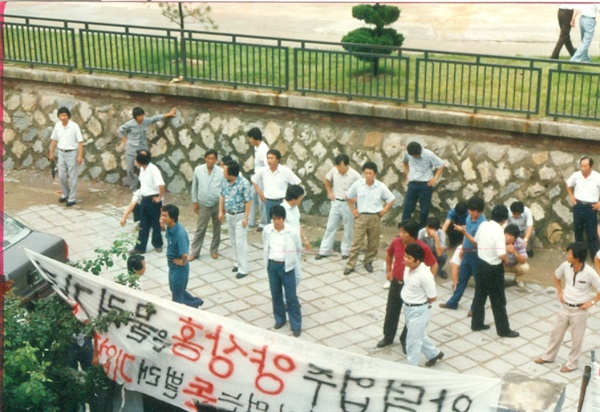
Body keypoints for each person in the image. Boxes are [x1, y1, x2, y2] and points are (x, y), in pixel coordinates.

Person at [535, 242, 600, 373]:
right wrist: (559, 292)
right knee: (555, 333)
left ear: (577, 257)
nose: (567, 255)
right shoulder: (565, 266)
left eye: (569, 253)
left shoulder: (590, 273)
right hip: (565, 308)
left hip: (579, 311)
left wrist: (591, 302)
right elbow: (556, 277)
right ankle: (548, 356)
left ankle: (572, 363)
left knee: (576, 339)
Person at [377, 220, 438, 353]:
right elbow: (388, 254)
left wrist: (427, 283)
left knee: (411, 315)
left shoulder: (422, 248)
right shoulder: (396, 242)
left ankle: (405, 340)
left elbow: (434, 265)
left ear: (412, 234)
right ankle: (388, 337)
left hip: (412, 288)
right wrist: (388, 270)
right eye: (400, 231)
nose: (400, 234)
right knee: (391, 310)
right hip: (396, 283)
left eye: (403, 232)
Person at [471, 204, 519, 338]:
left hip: (480, 264)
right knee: (498, 300)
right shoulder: (499, 231)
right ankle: (503, 330)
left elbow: (476, 240)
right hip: (493, 268)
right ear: (504, 219)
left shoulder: (483, 225)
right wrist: (506, 260)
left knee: (480, 295)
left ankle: (477, 323)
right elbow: (500, 254)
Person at [343, 161, 395, 276]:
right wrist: (353, 210)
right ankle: (350, 264)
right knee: (356, 241)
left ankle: (368, 262)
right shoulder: (358, 184)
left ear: (375, 174)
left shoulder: (380, 186)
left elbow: (391, 198)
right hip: (361, 216)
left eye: (370, 173)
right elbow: (348, 196)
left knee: (373, 242)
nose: (367, 175)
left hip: (375, 217)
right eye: (365, 173)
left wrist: (384, 210)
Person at [440, 196, 486, 314]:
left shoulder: (483, 224)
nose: (469, 213)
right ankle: (453, 303)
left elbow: (476, 242)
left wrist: (463, 232)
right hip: (466, 253)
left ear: (478, 211)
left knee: (479, 283)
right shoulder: (469, 218)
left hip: (476, 255)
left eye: (472, 211)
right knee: (462, 280)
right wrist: (463, 247)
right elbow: (468, 233)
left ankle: (475, 308)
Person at [401, 243, 444, 367]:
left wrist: (420, 305)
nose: (405, 259)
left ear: (417, 260)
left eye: (409, 258)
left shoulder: (425, 275)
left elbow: (432, 297)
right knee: (418, 334)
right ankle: (434, 353)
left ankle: (411, 370)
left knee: (412, 342)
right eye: (405, 256)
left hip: (419, 310)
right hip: (408, 308)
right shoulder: (407, 268)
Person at [262, 205, 302, 337]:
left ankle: (296, 324)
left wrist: (291, 262)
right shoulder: (267, 230)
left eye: (279, 219)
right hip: (272, 266)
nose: (277, 221)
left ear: (283, 219)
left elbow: (297, 248)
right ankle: (280, 319)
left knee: (291, 297)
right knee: (276, 294)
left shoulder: (292, 232)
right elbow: (265, 244)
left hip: (287, 267)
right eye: (274, 219)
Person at [118, 106, 177, 191]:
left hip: (142, 148)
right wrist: (124, 140)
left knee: (145, 168)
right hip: (131, 149)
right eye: (139, 116)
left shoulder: (145, 121)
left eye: (142, 115)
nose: (141, 117)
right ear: (135, 117)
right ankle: (133, 186)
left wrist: (169, 114)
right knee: (130, 168)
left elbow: (155, 118)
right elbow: (120, 130)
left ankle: (145, 186)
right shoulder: (130, 124)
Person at [315, 154, 361, 260]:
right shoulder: (334, 170)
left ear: (346, 165)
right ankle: (324, 251)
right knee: (330, 227)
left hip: (348, 205)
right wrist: (329, 192)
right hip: (336, 203)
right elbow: (326, 179)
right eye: (337, 166)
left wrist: (356, 199)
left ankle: (345, 251)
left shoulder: (354, 175)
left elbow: (362, 187)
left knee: (348, 229)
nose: (338, 169)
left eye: (340, 166)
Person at [161, 204, 204, 308]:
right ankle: (195, 303)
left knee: (177, 297)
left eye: (165, 216)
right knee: (176, 289)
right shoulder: (169, 228)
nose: (162, 218)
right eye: (162, 215)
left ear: (173, 218)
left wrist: (183, 262)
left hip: (179, 269)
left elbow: (185, 254)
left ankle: (177, 314)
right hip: (172, 265)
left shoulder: (180, 234)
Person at [218, 160, 252, 279]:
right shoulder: (224, 181)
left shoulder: (244, 183)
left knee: (240, 242)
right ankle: (236, 262)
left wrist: (246, 218)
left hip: (240, 216)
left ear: (230, 173)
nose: (223, 172)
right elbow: (222, 195)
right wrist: (220, 211)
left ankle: (244, 269)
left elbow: (248, 201)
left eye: (224, 170)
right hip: (229, 215)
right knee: (232, 240)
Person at [189, 149, 224, 261]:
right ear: (205, 158)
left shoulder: (221, 171)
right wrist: (195, 202)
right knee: (200, 228)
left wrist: (223, 207)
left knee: (217, 228)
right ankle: (194, 252)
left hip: (217, 203)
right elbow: (194, 186)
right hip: (203, 204)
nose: (210, 160)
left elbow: (224, 188)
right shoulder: (198, 170)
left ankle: (214, 250)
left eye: (213, 158)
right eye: (208, 158)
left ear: (216, 160)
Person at [251, 149, 301, 226]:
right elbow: (254, 180)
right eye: (268, 158)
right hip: (268, 202)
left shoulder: (285, 171)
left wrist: (290, 197)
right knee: (270, 225)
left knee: (284, 224)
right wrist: (260, 193)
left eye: (271, 158)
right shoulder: (263, 171)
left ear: (278, 159)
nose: (269, 160)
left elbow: (297, 182)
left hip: (282, 201)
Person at [401, 142, 444, 228]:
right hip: (412, 184)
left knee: (424, 210)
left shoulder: (429, 154)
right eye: (413, 155)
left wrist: (435, 178)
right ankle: (404, 228)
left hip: (425, 185)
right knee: (407, 208)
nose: (415, 157)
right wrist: (407, 175)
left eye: (416, 155)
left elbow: (441, 165)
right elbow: (405, 162)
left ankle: (422, 230)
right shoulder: (408, 154)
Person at [129, 150, 164, 254]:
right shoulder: (142, 169)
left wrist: (159, 197)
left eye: (136, 159)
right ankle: (140, 247)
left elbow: (161, 185)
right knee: (143, 224)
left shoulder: (153, 170)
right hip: (144, 199)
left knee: (155, 223)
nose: (134, 161)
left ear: (141, 161)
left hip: (153, 200)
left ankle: (158, 244)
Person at [566, 156, 600, 260]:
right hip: (578, 205)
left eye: (585, 166)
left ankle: (594, 257)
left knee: (592, 233)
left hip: (591, 207)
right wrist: (571, 196)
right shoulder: (576, 176)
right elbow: (568, 185)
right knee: (578, 231)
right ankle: (579, 256)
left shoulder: (597, 177)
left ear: (590, 166)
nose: (583, 168)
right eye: (581, 166)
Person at [48, 107, 84, 207]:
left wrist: (80, 156)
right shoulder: (57, 126)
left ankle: (72, 198)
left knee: (72, 176)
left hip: (72, 153)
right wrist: (51, 152)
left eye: (65, 115)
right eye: (61, 115)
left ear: (68, 116)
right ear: (58, 116)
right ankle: (65, 193)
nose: (63, 117)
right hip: (61, 153)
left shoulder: (74, 126)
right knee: (61, 175)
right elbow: (54, 140)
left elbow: (80, 142)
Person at [281, 185, 311, 286]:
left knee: (293, 274)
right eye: (300, 197)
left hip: (296, 244)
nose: (301, 200)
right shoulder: (282, 210)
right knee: (297, 275)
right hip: (287, 248)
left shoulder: (295, 208)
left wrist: (305, 239)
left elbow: (298, 225)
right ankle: (286, 297)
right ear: (294, 198)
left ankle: (288, 295)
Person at [247, 127, 269, 231]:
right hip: (256, 177)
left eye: (250, 138)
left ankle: (263, 223)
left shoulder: (264, 149)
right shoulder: (257, 148)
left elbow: (267, 165)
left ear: (255, 138)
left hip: (263, 178)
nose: (249, 140)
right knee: (251, 197)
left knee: (262, 200)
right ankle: (251, 221)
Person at [503, 224, 530, 288]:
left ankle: (517, 279)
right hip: (501, 265)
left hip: (514, 264)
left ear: (515, 237)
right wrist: (505, 250)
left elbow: (523, 260)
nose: (508, 237)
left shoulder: (521, 242)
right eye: (507, 234)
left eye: (511, 235)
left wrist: (515, 252)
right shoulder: (499, 240)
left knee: (525, 267)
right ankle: (499, 278)